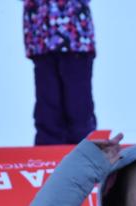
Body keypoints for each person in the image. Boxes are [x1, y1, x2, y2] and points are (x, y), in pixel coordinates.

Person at [22, 0, 97, 145]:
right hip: (41, 39)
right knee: (47, 106)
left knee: (78, 106)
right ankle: (47, 155)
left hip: (75, 39)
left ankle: (84, 152)